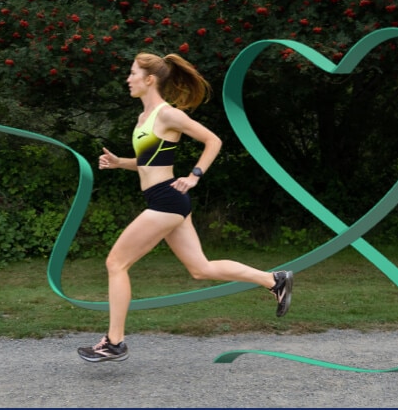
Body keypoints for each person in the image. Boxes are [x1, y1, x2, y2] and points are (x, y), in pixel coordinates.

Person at [77, 52, 294, 363]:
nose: (128, 79)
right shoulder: (144, 119)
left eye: (132, 73)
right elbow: (149, 163)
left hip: (168, 199)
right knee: (200, 269)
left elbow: (213, 141)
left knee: (116, 264)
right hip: (163, 200)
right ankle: (274, 280)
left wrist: (194, 176)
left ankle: (114, 342)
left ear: (149, 79)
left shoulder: (168, 114)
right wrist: (119, 162)